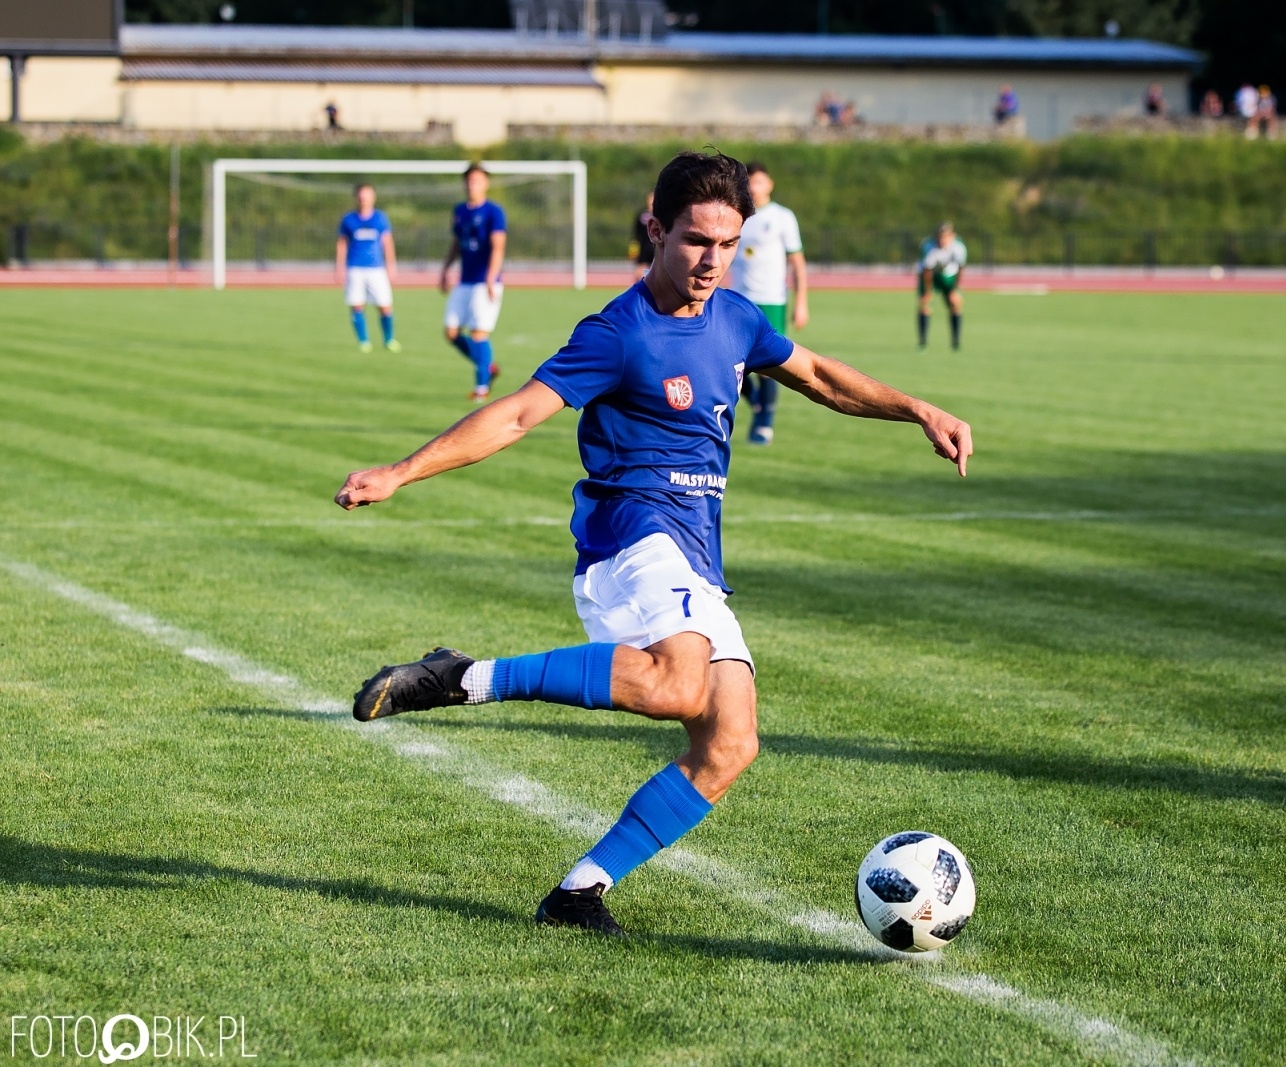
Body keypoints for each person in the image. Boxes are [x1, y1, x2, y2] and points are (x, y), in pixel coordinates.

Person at [334, 151, 973, 935]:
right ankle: (464, 677)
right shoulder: (616, 332)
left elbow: (823, 378)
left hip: (696, 554)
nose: (712, 260)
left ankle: (578, 892)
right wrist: (402, 472)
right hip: (626, 539)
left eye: (728, 243)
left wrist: (918, 409)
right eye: (696, 240)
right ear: (655, 230)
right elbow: (516, 415)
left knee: (731, 741)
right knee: (677, 686)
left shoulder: (737, 317)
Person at [727, 161, 807, 446]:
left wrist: (801, 303)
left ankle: (764, 422)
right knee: (732, 361)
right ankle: (759, 403)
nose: (754, 187)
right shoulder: (736, 215)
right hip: (739, 298)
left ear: (770, 184)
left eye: (759, 181)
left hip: (772, 299)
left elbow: (797, 263)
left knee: (769, 362)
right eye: (749, 182)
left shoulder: (783, 217)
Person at [440, 164, 506, 403]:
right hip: (465, 281)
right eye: (469, 181)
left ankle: (481, 387)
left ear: (485, 183)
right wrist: (445, 269)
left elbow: (498, 246)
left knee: (478, 333)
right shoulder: (460, 211)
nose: (472, 185)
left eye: (477, 181)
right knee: (451, 332)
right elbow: (457, 243)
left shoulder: (493, 212)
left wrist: (491, 276)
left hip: (484, 281)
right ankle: (488, 366)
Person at [335, 183, 400, 353]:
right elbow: (342, 243)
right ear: (356, 197)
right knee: (357, 305)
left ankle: (389, 339)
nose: (364, 199)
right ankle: (364, 341)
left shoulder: (380, 218)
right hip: (355, 268)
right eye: (361, 195)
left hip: (376, 268)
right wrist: (339, 267)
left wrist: (391, 264)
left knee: (385, 305)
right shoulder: (349, 220)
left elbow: (387, 242)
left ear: (373, 197)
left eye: (367, 195)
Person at [916, 222, 967, 350]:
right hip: (930, 276)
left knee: (954, 302)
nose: (942, 240)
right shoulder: (930, 248)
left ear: (952, 236)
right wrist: (927, 291)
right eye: (940, 237)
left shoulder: (958, 248)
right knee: (925, 304)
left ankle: (955, 342)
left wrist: (954, 289)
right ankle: (923, 342)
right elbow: (927, 272)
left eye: (945, 236)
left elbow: (960, 269)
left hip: (949, 276)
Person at [629, 191, 656, 281]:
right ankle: (639, 292)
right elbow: (636, 235)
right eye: (650, 199)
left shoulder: (661, 215)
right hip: (644, 250)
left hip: (657, 249)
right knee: (639, 274)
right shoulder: (642, 216)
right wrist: (633, 250)